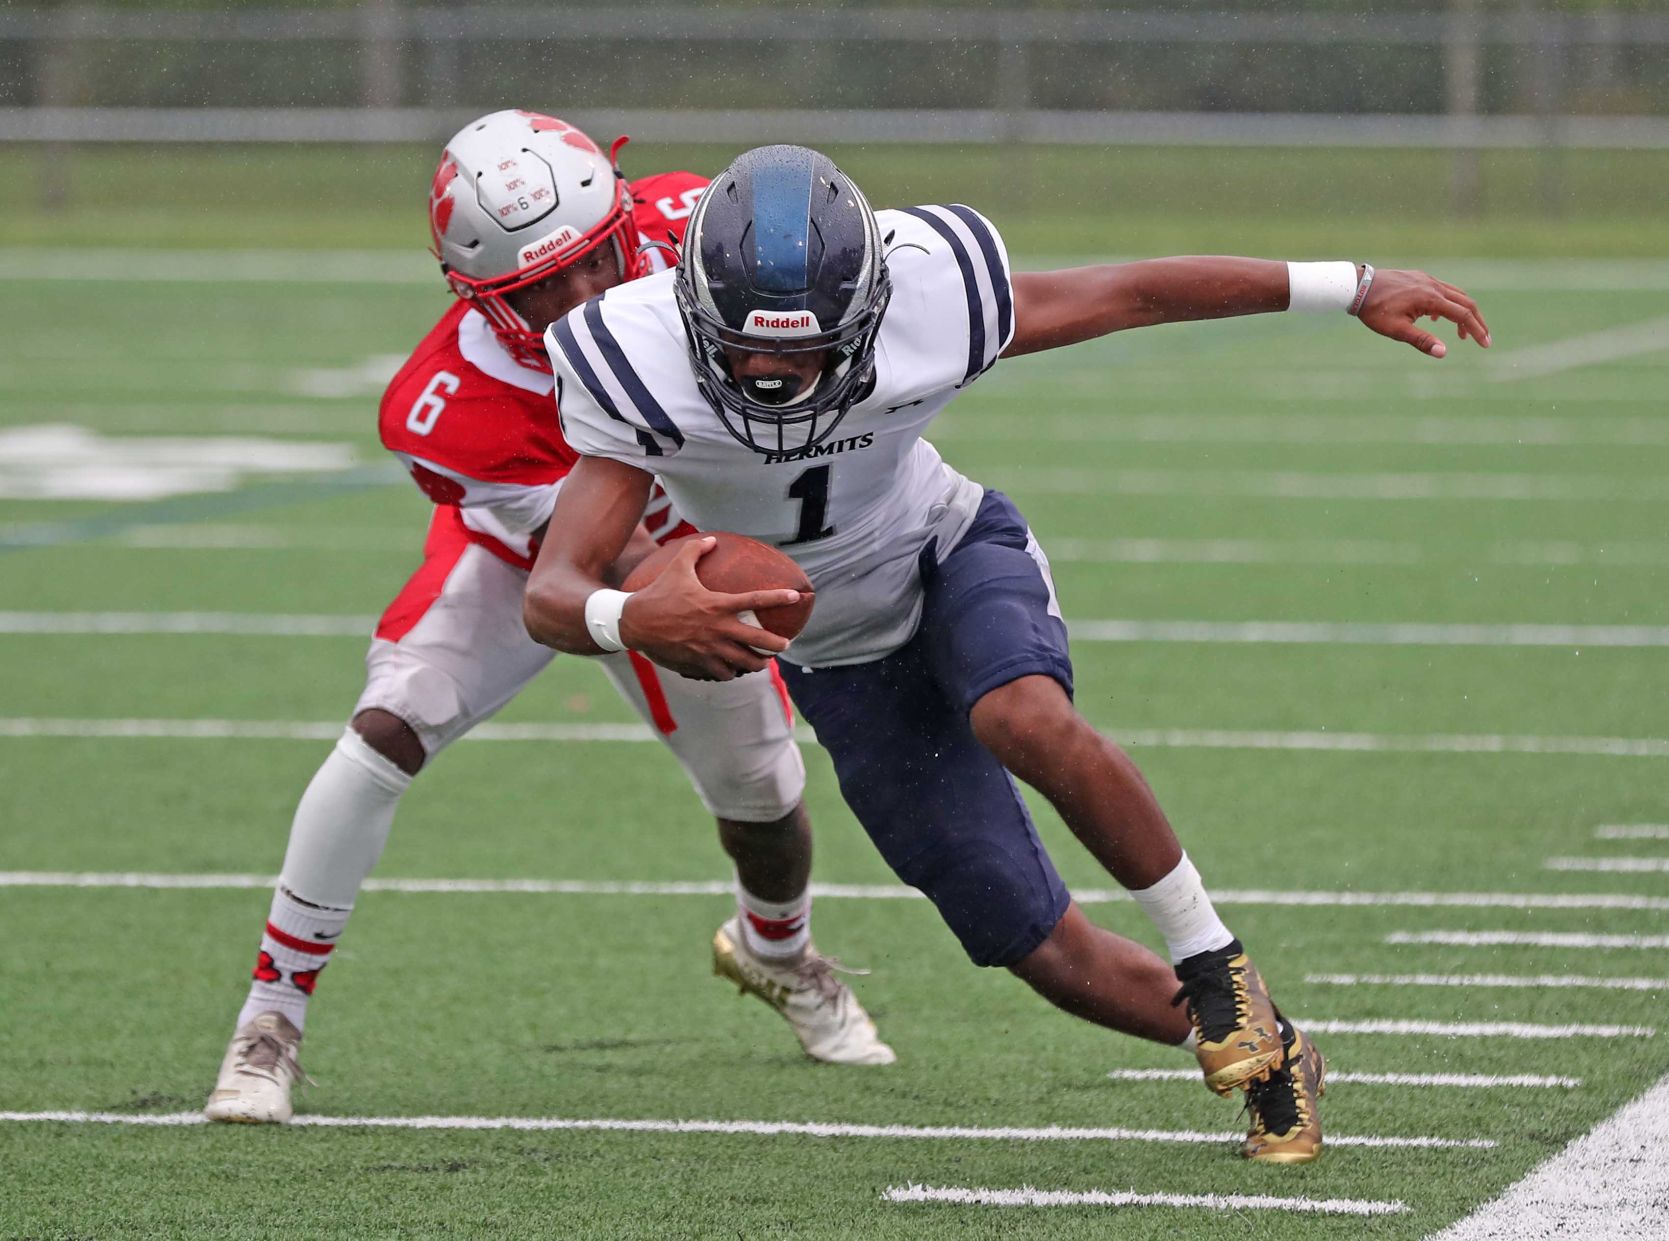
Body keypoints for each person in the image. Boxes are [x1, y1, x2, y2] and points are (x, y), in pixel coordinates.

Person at [522, 144, 1492, 1163]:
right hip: (839, 657)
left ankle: (1213, 959)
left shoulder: (932, 297)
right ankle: (1274, 1045)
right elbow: (553, 586)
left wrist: (1353, 286)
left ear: (869, 311)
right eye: (745, 350)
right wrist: (629, 620)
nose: (771, 378)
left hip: (946, 548)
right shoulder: (631, 360)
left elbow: (1135, 295)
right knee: (1044, 951)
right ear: (686, 309)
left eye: (806, 354)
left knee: (1018, 712)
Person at [204, 119, 895, 1127]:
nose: (581, 302)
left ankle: (778, 951)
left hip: (685, 534)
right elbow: (596, 563)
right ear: (475, 294)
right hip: (538, 557)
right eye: (538, 289)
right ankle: (269, 1019)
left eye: (591, 265)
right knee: (391, 721)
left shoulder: (695, 226)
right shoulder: (450, 404)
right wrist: (687, 595)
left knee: (762, 791)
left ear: (626, 223)